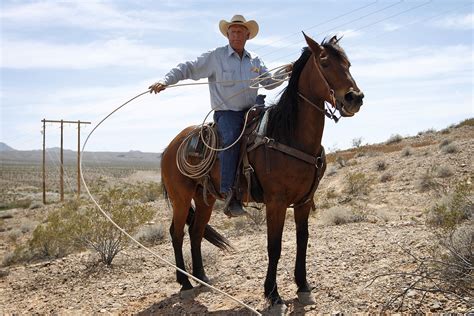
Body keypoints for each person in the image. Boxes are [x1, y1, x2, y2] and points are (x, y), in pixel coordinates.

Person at [149, 14, 287, 217]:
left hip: (252, 111)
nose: (236, 35)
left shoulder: (254, 60)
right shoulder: (216, 57)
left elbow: (269, 82)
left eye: (240, 32)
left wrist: (286, 72)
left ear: (248, 35)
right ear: (228, 35)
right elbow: (189, 67)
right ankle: (230, 194)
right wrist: (166, 80)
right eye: (232, 32)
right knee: (231, 139)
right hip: (227, 113)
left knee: (272, 135)